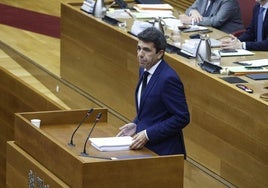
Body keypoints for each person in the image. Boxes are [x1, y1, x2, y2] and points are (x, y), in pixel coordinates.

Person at [116, 27, 190, 156]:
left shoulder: (168, 79)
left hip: (165, 152)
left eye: (146, 50)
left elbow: (182, 117)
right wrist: (136, 124)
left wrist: (148, 134)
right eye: (139, 48)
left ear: (160, 53)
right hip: (147, 148)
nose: (140, 54)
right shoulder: (144, 69)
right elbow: (151, 109)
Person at [179, 0, 244, 34]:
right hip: (206, 31)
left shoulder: (229, 1)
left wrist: (191, 21)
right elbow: (188, 10)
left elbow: (216, 21)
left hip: (226, 36)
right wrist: (193, 11)